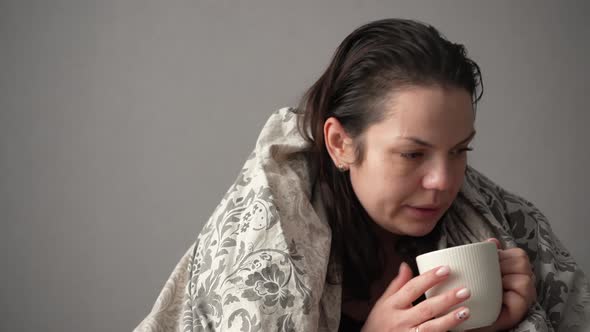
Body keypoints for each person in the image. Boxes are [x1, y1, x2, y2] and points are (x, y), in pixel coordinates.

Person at [134, 18, 589, 332]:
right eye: (413, 154)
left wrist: (503, 321)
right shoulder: (271, 245)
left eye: (459, 150)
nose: (444, 181)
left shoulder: (490, 226)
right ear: (340, 144)